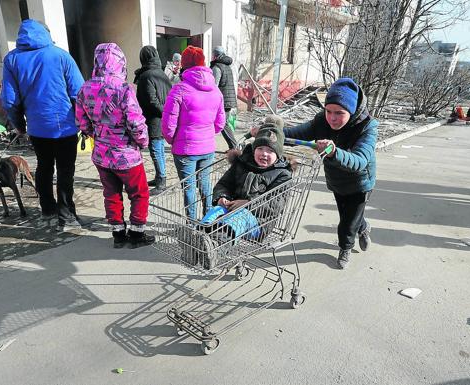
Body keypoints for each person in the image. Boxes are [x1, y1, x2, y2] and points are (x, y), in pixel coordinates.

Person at [256, 77, 378, 269]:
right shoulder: (321, 121)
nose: (332, 118)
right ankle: (363, 227)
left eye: (339, 113)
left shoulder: (367, 127)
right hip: (337, 179)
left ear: (352, 111)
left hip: (360, 181)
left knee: (347, 221)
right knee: (348, 213)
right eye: (328, 111)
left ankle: (345, 247)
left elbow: (360, 160)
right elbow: (296, 133)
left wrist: (335, 151)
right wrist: (268, 133)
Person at [0, 19, 84, 231]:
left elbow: (10, 100)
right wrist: (83, 122)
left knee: (44, 168)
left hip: (37, 128)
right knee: (66, 171)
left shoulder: (11, 60)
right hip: (65, 127)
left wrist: (19, 125)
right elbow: (78, 93)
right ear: (46, 35)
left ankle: (47, 209)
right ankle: (66, 216)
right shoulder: (61, 55)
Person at [75, 43, 154, 249]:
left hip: (102, 154)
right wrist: (143, 141)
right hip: (126, 156)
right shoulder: (123, 89)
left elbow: (82, 122)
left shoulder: (85, 88)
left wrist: (98, 134)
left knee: (111, 192)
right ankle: (137, 233)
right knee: (139, 193)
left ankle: (118, 233)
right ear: (120, 63)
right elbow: (136, 123)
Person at [200, 116, 293, 261]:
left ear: (278, 154)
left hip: (259, 221)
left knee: (239, 217)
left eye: (270, 151)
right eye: (260, 148)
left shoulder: (282, 174)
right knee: (216, 211)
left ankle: (217, 247)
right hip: (232, 208)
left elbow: (275, 205)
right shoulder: (242, 163)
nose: (264, 153)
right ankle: (198, 237)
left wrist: (248, 203)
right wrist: (221, 197)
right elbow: (223, 184)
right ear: (254, 149)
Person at [161, 45, 226, 220]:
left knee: (189, 187)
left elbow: (168, 125)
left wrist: (173, 140)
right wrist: (206, 134)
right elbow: (221, 123)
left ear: (184, 64)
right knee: (204, 183)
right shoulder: (216, 90)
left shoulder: (179, 90)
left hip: (185, 149)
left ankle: (192, 224)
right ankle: (208, 219)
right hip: (207, 148)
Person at [134, 45, 172, 195]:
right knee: (159, 149)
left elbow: (151, 101)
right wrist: (167, 114)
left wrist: (163, 112)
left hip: (153, 120)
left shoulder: (146, 76)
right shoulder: (162, 74)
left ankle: (162, 180)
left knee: (156, 150)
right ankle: (159, 176)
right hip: (162, 119)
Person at [210, 46, 238, 149]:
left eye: (213, 54)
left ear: (216, 55)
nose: (211, 56)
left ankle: (234, 146)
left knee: (222, 124)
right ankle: (233, 146)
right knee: (221, 123)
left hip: (222, 101)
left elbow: (214, 86)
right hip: (227, 99)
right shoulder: (227, 66)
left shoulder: (217, 67)